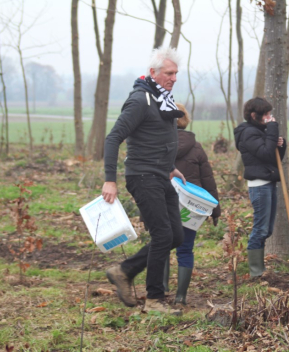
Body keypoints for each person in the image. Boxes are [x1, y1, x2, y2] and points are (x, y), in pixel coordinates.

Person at [102, 47, 186, 315]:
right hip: (142, 176)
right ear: (153, 72)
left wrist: (171, 167)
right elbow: (113, 138)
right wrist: (109, 180)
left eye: (175, 73)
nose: (173, 78)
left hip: (161, 175)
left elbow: (158, 138)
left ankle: (124, 270)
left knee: (175, 235)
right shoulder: (140, 100)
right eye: (168, 73)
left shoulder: (163, 100)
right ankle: (154, 300)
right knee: (163, 234)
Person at [166, 103, 221, 305]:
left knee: (161, 246)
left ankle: (161, 290)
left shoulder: (158, 145)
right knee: (185, 248)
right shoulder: (196, 147)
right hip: (191, 207)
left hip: (163, 202)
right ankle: (181, 296)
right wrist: (215, 210)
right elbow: (208, 180)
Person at [234, 97, 286, 278]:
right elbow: (264, 153)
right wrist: (272, 130)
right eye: (266, 114)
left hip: (268, 181)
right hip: (259, 185)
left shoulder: (259, 131)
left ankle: (260, 267)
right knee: (261, 229)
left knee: (267, 229)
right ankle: (256, 271)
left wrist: (281, 144)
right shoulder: (248, 133)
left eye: (269, 114)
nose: (269, 117)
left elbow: (273, 157)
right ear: (254, 115)